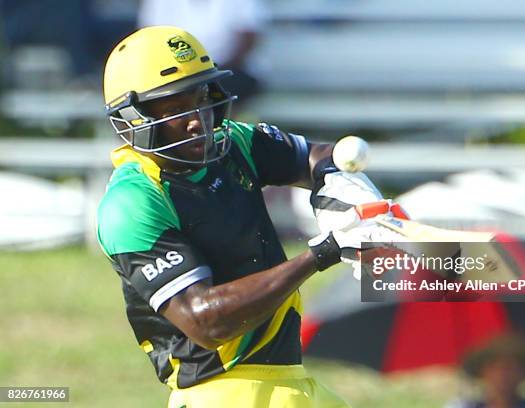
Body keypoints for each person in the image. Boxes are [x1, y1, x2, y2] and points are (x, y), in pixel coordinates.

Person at [96, 25, 385, 407]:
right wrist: (324, 252)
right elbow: (205, 321)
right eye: (175, 109)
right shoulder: (133, 201)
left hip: (290, 382)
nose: (197, 120)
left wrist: (342, 184)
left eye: (201, 100)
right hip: (218, 391)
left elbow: (314, 156)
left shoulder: (233, 141)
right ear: (133, 118)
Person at [138, 0, 263, 104]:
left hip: (229, 69)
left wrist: (212, 70)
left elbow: (249, 37)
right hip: (176, 74)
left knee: (227, 86)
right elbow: (151, 38)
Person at [446, 334, 525, 408]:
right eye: (495, 367)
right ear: (483, 371)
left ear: (524, 372)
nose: (503, 375)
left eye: (511, 367)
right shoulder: (464, 406)